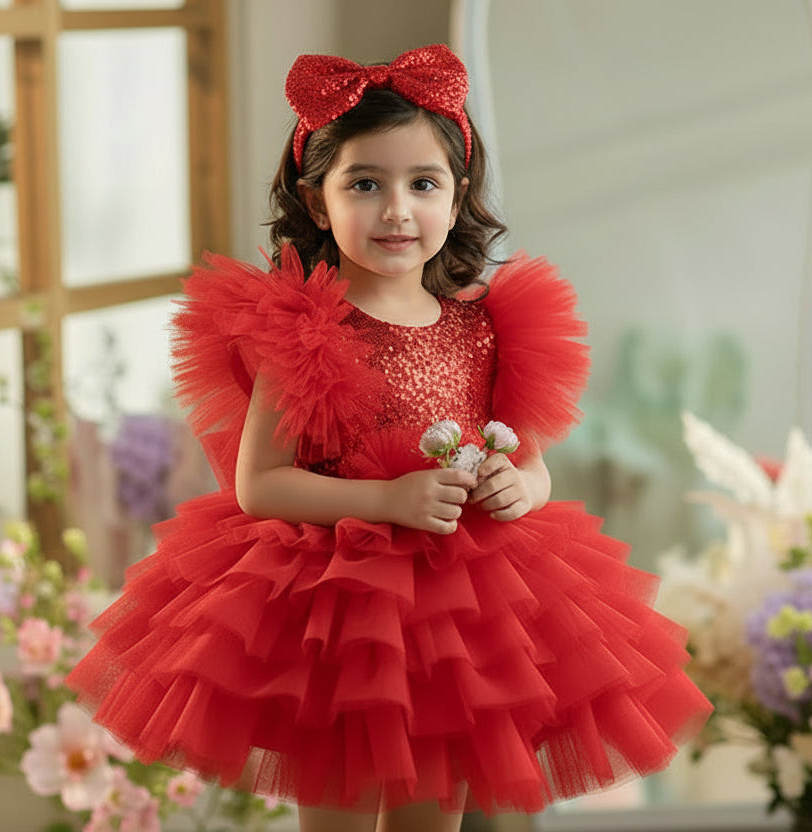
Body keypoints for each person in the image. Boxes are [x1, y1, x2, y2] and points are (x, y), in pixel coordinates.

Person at [67, 44, 712, 832]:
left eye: (423, 184)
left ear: (458, 193)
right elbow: (258, 484)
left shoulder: (487, 325)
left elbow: (532, 462)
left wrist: (521, 488)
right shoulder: (305, 329)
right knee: (340, 808)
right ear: (316, 200)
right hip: (334, 611)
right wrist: (388, 497)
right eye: (365, 184)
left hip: (462, 611)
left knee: (431, 812)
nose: (397, 211)